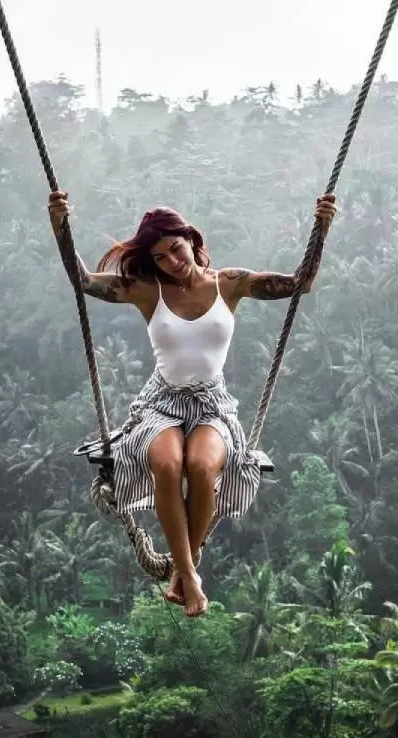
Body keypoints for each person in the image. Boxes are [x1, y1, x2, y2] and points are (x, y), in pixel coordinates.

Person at [47, 191, 338, 617]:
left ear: (190, 238)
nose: (172, 261)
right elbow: (85, 282)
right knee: (166, 463)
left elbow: (300, 285)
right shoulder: (149, 290)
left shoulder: (230, 283)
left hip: (212, 404)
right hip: (161, 401)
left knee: (202, 467)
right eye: (161, 256)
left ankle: (183, 572)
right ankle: (189, 575)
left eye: (176, 249)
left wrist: (322, 227)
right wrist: (61, 228)